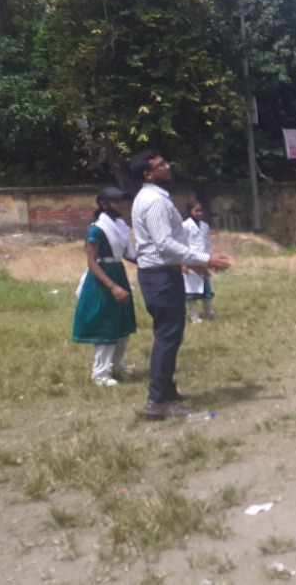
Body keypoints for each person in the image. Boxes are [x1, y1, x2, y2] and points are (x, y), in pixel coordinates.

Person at [130, 150, 231, 420]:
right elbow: (164, 244)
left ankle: (166, 391)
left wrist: (192, 263)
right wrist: (205, 258)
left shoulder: (154, 197)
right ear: (148, 174)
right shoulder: (154, 201)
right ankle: (158, 402)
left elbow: (167, 244)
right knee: (167, 336)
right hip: (160, 276)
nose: (168, 165)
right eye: (161, 164)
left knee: (170, 335)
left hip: (163, 272)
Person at [71, 187, 137, 387]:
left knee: (122, 323)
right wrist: (112, 286)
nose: (121, 205)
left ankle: (117, 365)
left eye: (122, 201)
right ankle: (99, 373)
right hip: (103, 278)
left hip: (118, 272)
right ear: (104, 204)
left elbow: (127, 254)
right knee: (105, 325)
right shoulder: (97, 229)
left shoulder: (120, 226)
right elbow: (92, 262)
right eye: (116, 201)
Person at [182, 200, 216, 324]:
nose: (199, 213)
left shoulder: (205, 226)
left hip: (204, 259)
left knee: (207, 288)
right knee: (191, 290)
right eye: (196, 211)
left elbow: (207, 244)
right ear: (190, 211)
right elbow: (182, 245)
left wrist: (210, 260)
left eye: (201, 211)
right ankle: (194, 315)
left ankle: (209, 311)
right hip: (190, 261)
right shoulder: (185, 226)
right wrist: (183, 263)